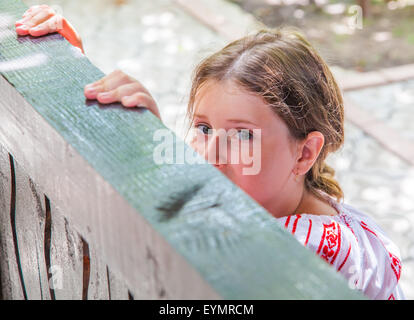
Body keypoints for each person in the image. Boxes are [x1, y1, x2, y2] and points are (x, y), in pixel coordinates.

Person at [15, 4, 405, 300]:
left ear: (305, 154)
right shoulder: (286, 201)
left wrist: (140, 147)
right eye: (203, 128)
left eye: (243, 136)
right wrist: (78, 76)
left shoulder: (304, 248)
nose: (210, 153)